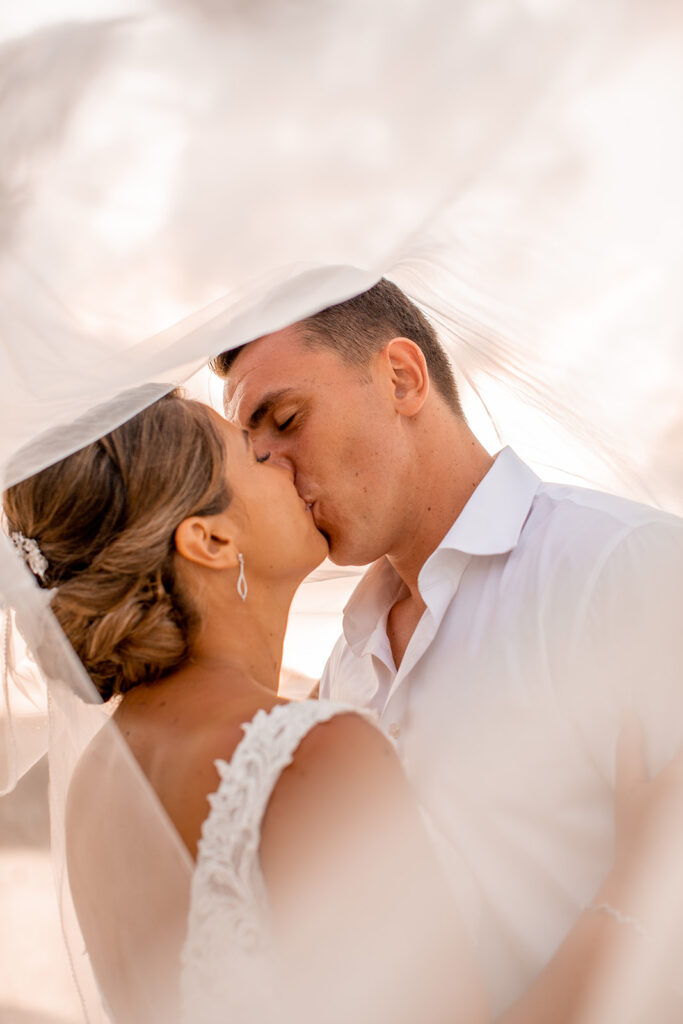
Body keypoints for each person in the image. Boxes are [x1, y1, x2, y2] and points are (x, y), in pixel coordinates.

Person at [4, 389, 683, 1024]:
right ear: (209, 541)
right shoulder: (305, 753)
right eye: (250, 453)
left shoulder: (99, 781)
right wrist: (633, 885)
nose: (281, 463)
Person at [214, 278, 683, 1014]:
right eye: (253, 447)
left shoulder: (620, 569)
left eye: (285, 420)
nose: (269, 467)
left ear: (401, 378)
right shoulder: (347, 660)